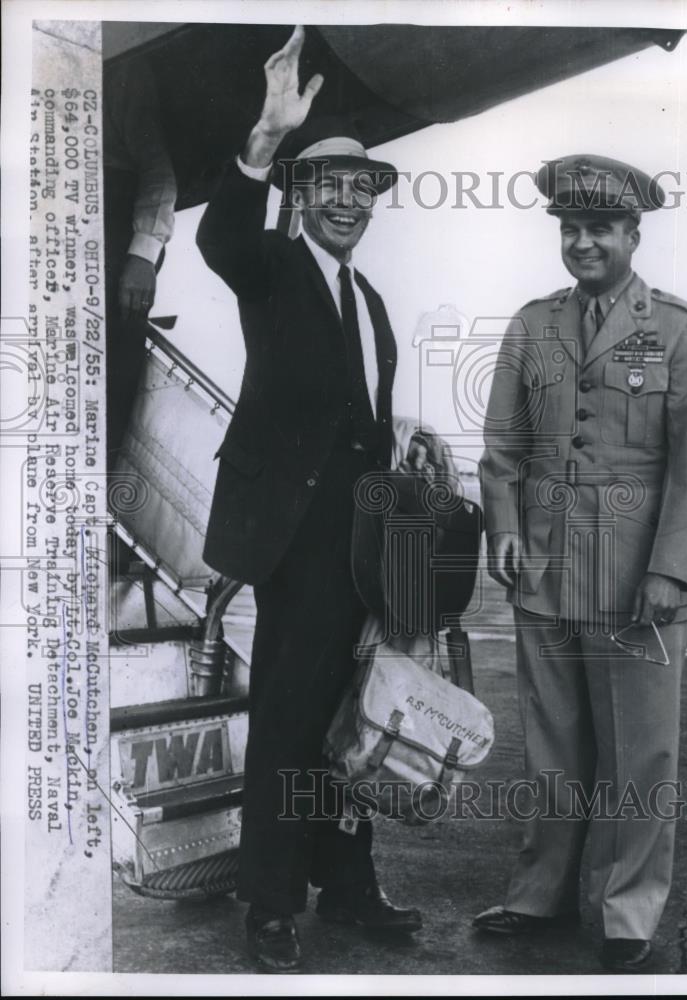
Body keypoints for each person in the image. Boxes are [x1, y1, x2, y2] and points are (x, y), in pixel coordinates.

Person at [196, 26, 421, 972]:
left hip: (363, 544)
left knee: (353, 720)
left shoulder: (369, 301)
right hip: (294, 540)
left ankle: (352, 884)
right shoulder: (274, 270)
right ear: (300, 197)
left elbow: (367, 423)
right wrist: (262, 138)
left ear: (372, 205)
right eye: (326, 185)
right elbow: (220, 239)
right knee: (291, 720)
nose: (345, 202)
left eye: (360, 188)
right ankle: (272, 904)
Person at [477, 155, 687, 972]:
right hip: (545, 569)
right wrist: (504, 526)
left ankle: (629, 913)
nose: (583, 243)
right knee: (553, 746)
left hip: (635, 579)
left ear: (633, 233)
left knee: (639, 752)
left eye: (599, 229)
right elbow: (503, 446)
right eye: (571, 229)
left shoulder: (685, 331)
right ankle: (541, 892)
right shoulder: (531, 325)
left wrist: (673, 568)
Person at [103, 56, 177, 469]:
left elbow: (157, 168)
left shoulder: (121, 64)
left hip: (111, 241)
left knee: (109, 388)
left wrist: (142, 255)